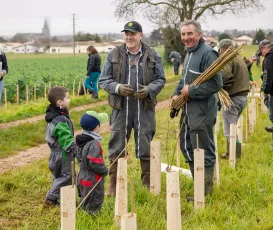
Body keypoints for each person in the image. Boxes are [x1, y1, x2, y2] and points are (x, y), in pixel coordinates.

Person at [99, 21, 166, 196]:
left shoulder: (152, 54)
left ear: (140, 35)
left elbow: (161, 79)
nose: (129, 37)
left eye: (133, 34)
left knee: (146, 145)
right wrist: (117, 88)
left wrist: (149, 89)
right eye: (126, 34)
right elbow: (103, 80)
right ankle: (114, 186)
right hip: (121, 109)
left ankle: (147, 185)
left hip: (145, 108)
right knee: (116, 146)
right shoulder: (114, 54)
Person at [169, 20, 222, 197]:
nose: (186, 37)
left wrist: (191, 90)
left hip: (202, 110)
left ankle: (204, 192)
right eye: (183, 34)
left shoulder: (208, 54)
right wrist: (176, 95)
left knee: (202, 148)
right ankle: (198, 184)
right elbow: (184, 80)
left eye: (190, 34)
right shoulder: (189, 53)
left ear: (199, 34)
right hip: (187, 108)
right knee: (187, 145)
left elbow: (216, 84)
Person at [44, 86, 77, 207]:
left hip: (54, 153)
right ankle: (51, 198)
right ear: (59, 102)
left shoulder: (53, 114)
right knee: (68, 176)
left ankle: (67, 199)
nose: (70, 99)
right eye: (67, 98)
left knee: (59, 176)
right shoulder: (59, 120)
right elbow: (66, 138)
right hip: (63, 152)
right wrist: (75, 150)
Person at [218, 39, 249, 159]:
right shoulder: (239, 58)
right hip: (242, 97)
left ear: (222, 49)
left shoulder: (229, 59)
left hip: (233, 99)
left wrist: (215, 81)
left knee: (229, 129)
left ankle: (235, 155)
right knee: (233, 127)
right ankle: (230, 152)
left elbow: (224, 75)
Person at [76, 111, 109, 214]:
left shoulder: (79, 140)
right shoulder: (94, 143)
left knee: (85, 196)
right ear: (96, 127)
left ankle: (84, 212)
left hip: (81, 175)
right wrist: (104, 171)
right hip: (93, 177)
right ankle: (93, 217)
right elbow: (95, 162)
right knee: (95, 197)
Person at [257, 40, 273, 133]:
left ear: (264, 48)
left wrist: (266, 91)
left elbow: (268, 75)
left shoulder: (269, 58)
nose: (262, 55)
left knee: (272, 115)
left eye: (261, 52)